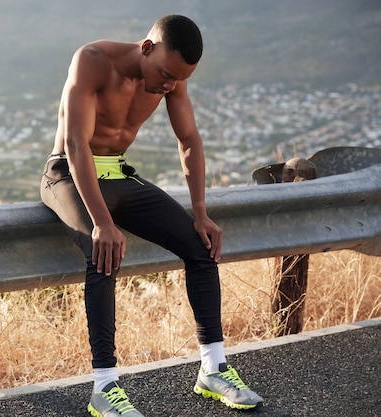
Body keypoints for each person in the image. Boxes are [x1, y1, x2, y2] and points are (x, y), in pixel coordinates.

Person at [40, 14, 263, 416]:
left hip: (119, 173)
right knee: (101, 254)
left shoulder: (171, 77)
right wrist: (103, 224)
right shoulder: (92, 60)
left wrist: (200, 212)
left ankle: (213, 369)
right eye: (165, 74)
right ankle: (104, 389)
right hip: (68, 175)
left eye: (178, 79)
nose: (169, 86)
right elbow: (75, 143)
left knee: (201, 245)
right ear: (147, 48)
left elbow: (189, 139)